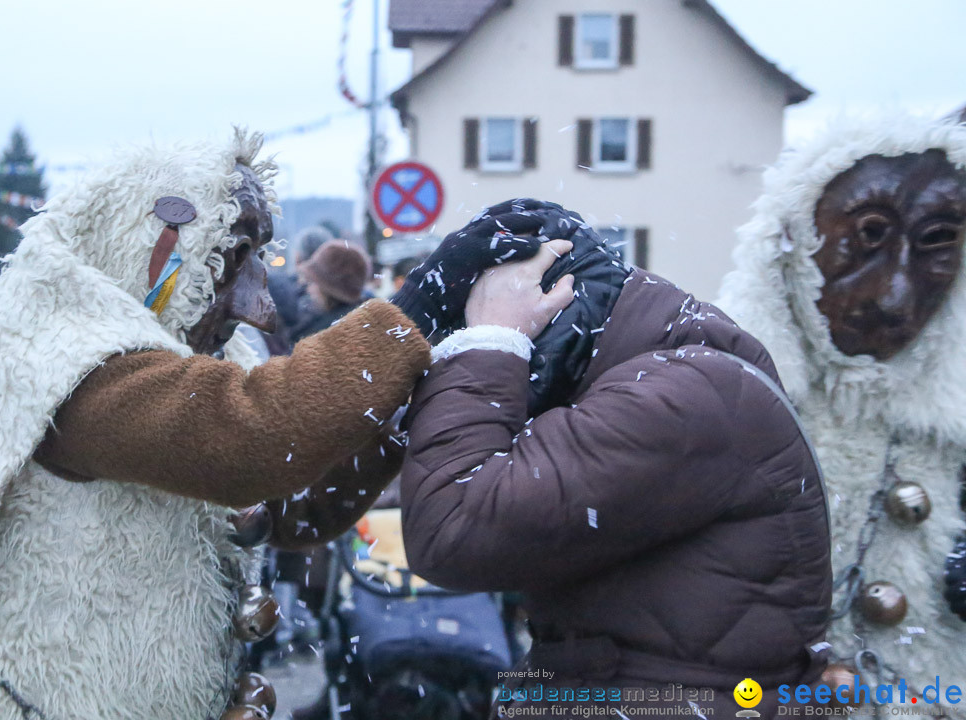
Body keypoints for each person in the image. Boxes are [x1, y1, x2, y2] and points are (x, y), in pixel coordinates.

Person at [0, 130, 538, 720]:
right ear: (146, 243)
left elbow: (296, 510)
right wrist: (420, 308)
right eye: (227, 261)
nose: (259, 308)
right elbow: (253, 439)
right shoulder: (73, 371)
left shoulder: (199, 359)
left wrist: (409, 413)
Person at [400, 199, 832, 719]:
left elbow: (452, 529)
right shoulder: (655, 372)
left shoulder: (680, 395)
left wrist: (491, 339)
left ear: (553, 303)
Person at [717, 116, 966, 697]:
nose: (894, 294)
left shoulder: (954, 424)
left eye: (936, 243)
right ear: (794, 242)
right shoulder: (715, 403)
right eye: (867, 236)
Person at [289, 239, 370, 342]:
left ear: (328, 289)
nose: (308, 289)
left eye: (312, 282)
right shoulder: (370, 321)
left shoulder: (319, 338)